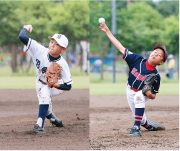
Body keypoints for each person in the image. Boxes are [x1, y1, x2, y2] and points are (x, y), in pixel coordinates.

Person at [99, 22, 167, 137]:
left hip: (141, 94)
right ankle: (149, 126)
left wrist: (148, 92)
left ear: (161, 62)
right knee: (140, 117)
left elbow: (153, 96)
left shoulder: (156, 76)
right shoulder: (137, 60)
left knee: (139, 97)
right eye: (155, 51)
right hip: (129, 89)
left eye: (159, 55)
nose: (155, 54)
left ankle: (136, 128)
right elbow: (120, 47)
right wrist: (107, 31)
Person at [19, 25, 73, 133]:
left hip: (57, 85)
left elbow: (68, 86)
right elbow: (22, 36)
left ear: (63, 49)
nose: (53, 45)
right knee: (45, 102)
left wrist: (55, 85)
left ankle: (40, 125)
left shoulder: (62, 64)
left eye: (57, 44)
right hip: (40, 82)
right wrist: (26, 28)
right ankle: (52, 118)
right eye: (52, 42)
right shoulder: (39, 50)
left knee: (45, 94)